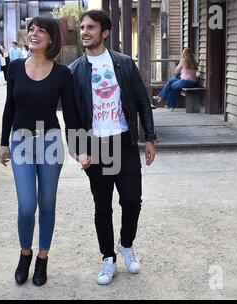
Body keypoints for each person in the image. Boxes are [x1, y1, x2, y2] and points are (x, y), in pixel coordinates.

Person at [69, 10, 156, 285]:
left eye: (90, 27)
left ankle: (126, 244)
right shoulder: (75, 71)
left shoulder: (123, 64)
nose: (85, 32)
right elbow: (70, 115)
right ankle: (108, 258)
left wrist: (150, 137)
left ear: (104, 32)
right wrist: (78, 148)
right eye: (82, 27)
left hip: (124, 141)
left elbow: (142, 101)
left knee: (132, 201)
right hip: (96, 147)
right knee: (102, 205)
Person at [0, 16, 78, 286]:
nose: (33, 33)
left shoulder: (62, 74)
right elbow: (10, 106)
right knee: (26, 205)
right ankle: (25, 254)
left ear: (51, 39)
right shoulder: (16, 68)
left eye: (41, 31)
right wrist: (3, 142)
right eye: (31, 29)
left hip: (51, 143)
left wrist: (78, 147)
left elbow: (71, 114)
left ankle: (43, 258)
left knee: (47, 203)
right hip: (20, 141)